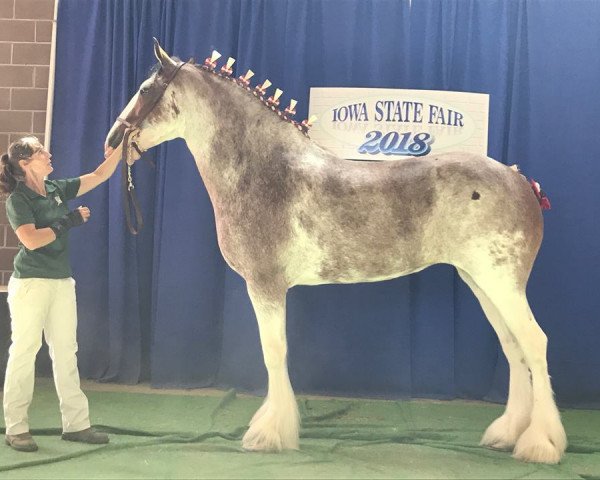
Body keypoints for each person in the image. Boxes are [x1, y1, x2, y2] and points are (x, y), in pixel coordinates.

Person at [0, 135, 122, 452]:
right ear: (25, 163)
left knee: (67, 351)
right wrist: (67, 221)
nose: (48, 153)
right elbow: (31, 240)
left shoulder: (56, 189)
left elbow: (98, 175)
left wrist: (123, 149)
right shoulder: (18, 200)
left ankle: (76, 425)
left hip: (61, 282)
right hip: (31, 284)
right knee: (24, 352)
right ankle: (16, 428)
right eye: (41, 150)